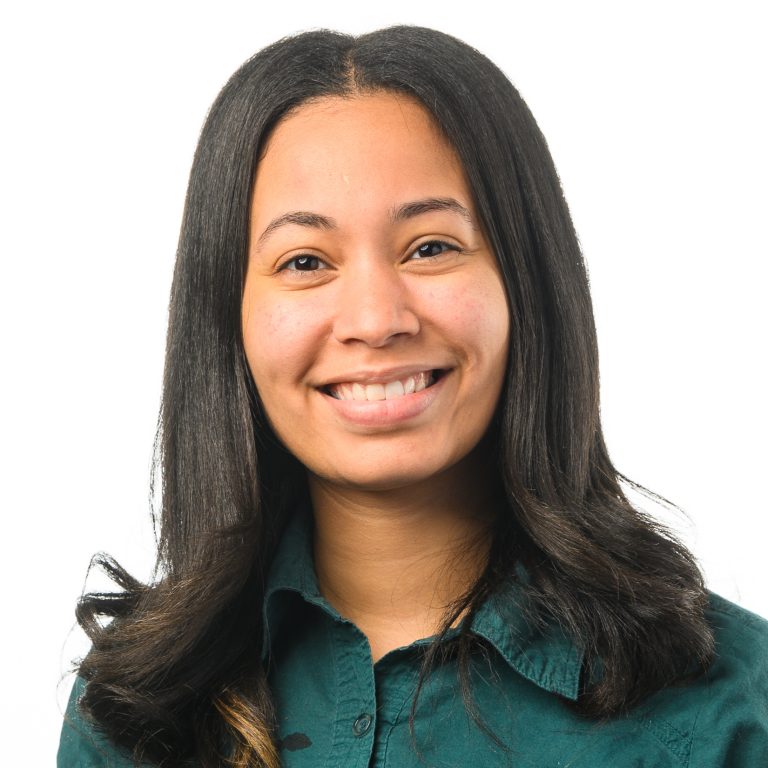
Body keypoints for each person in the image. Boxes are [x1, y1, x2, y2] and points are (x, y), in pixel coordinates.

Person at [57, 24, 768, 768]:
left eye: (431, 247)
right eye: (305, 262)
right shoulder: (135, 711)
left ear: (526, 284)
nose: (375, 320)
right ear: (226, 314)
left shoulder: (725, 710)